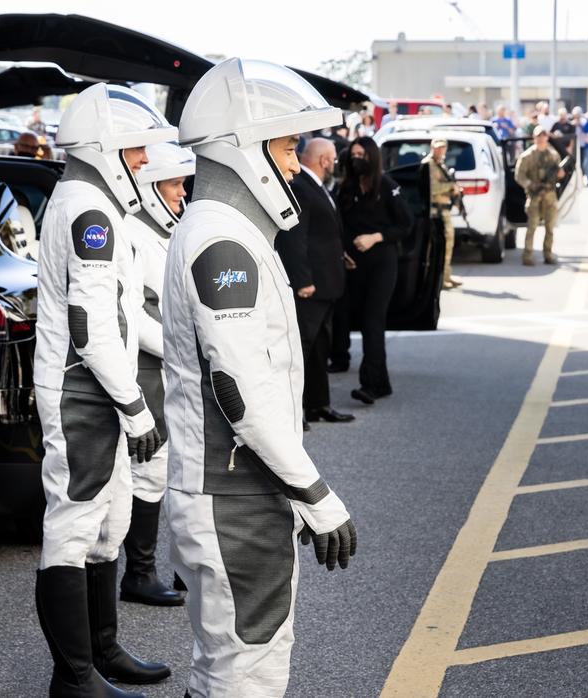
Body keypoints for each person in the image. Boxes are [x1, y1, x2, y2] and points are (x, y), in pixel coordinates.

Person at [166, 58, 356, 697]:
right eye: (285, 145)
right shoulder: (223, 242)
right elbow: (238, 388)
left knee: (225, 666)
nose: (296, 163)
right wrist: (315, 494)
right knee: (248, 673)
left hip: (232, 489)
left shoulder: (226, 232)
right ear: (242, 149)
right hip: (233, 493)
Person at [34, 83, 172, 698]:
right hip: (79, 391)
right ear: (105, 145)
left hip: (95, 388)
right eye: (138, 147)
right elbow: (89, 328)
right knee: (73, 528)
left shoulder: (92, 202)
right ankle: (75, 677)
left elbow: (112, 316)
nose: (145, 159)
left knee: (109, 524)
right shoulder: (90, 210)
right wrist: (135, 405)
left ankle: (102, 652)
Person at [115, 141, 195, 609]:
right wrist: (183, 348)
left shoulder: (167, 231)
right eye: (173, 184)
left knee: (178, 470)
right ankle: (139, 574)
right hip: (149, 367)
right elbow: (136, 313)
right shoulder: (130, 233)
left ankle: (183, 566)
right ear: (147, 187)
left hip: (175, 368)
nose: (181, 194)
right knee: (150, 471)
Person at [275, 137, 356, 427]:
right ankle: (293, 411)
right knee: (302, 349)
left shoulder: (318, 187)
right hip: (311, 285)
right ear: (324, 160)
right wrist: (302, 279)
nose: (334, 163)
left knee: (322, 346)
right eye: (332, 158)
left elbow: (323, 233)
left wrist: (340, 255)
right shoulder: (300, 187)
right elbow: (293, 237)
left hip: (327, 280)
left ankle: (318, 404)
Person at [339, 136, 412, 405]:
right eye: (353, 154)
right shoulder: (346, 188)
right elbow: (340, 224)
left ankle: (370, 383)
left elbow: (406, 225)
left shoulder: (388, 187)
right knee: (360, 320)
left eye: (362, 154)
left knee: (372, 321)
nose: (357, 158)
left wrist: (376, 237)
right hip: (354, 264)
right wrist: (343, 251)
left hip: (382, 262)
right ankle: (380, 382)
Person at [515, 127, 565, 265]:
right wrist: (531, 185)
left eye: (543, 136)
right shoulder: (527, 156)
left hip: (549, 195)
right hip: (534, 195)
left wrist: (560, 175)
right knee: (532, 226)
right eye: (538, 136)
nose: (541, 138)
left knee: (550, 227)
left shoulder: (554, 155)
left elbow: (558, 174)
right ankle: (528, 256)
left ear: (547, 138)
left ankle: (548, 254)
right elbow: (519, 176)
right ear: (534, 138)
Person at [422, 138, 463, 287]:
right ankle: (438, 280)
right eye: (438, 147)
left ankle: (446, 276)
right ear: (432, 148)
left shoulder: (441, 165)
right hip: (434, 212)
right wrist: (450, 186)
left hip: (444, 210)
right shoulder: (428, 165)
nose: (440, 150)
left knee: (448, 244)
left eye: (443, 148)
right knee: (436, 247)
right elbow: (432, 187)